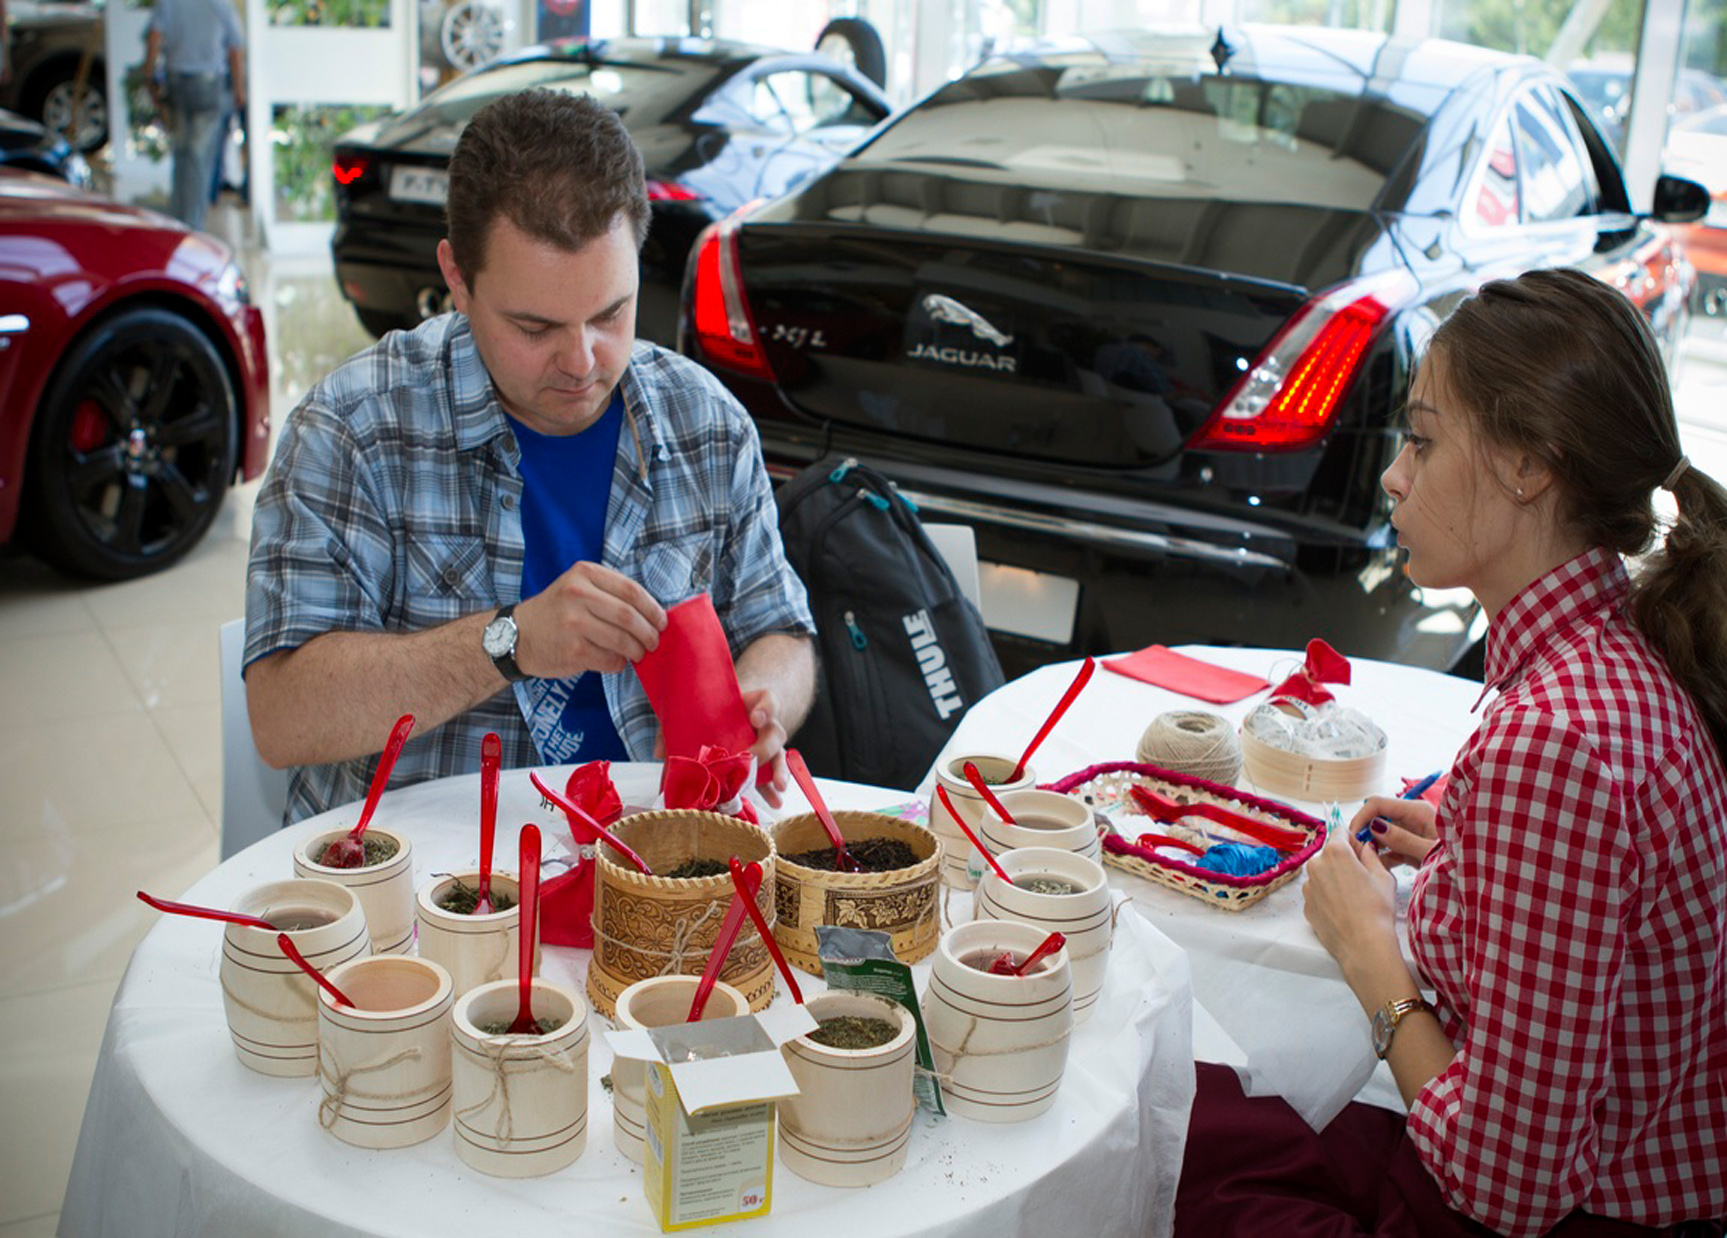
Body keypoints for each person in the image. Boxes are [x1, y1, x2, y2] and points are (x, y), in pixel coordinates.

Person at [1175, 268, 1727, 1237]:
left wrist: (1367, 952)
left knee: (1169, 1138)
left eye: (1422, 441)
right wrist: (1472, 857)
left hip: (1561, 1217)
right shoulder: (1620, 652)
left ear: (1527, 467)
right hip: (1616, 1182)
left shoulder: (1555, 741)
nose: (1394, 474)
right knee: (1217, 1105)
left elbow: (1507, 1184)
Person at [244, 89, 816, 824]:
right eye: (534, 327)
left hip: (652, 852)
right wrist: (507, 642)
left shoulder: (704, 421)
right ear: (456, 277)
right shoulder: (353, 429)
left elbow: (783, 630)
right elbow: (282, 716)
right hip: (420, 868)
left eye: (610, 313)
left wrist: (763, 700)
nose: (581, 361)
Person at [142, 0, 245, 231]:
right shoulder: (221, 4)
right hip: (208, 84)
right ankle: (193, 225)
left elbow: (155, 36)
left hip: (176, 82)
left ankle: (178, 220)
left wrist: (149, 75)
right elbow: (235, 46)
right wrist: (239, 88)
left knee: (181, 153)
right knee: (199, 158)